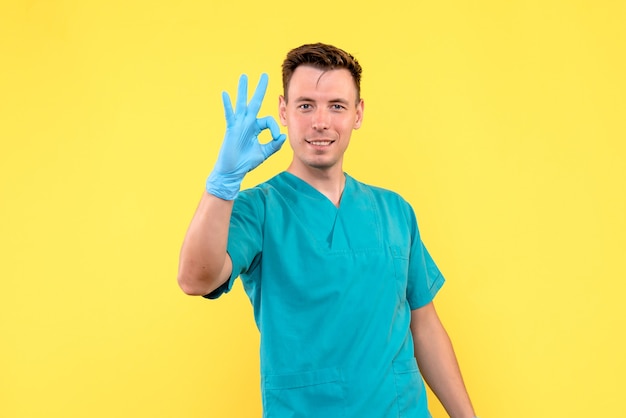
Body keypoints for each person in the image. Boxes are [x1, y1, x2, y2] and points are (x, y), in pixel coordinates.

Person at [178, 43, 477, 418]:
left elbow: (425, 326)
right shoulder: (260, 209)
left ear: (358, 113)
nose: (321, 121)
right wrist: (223, 183)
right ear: (283, 111)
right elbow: (195, 279)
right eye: (305, 105)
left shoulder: (395, 211)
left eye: (336, 105)